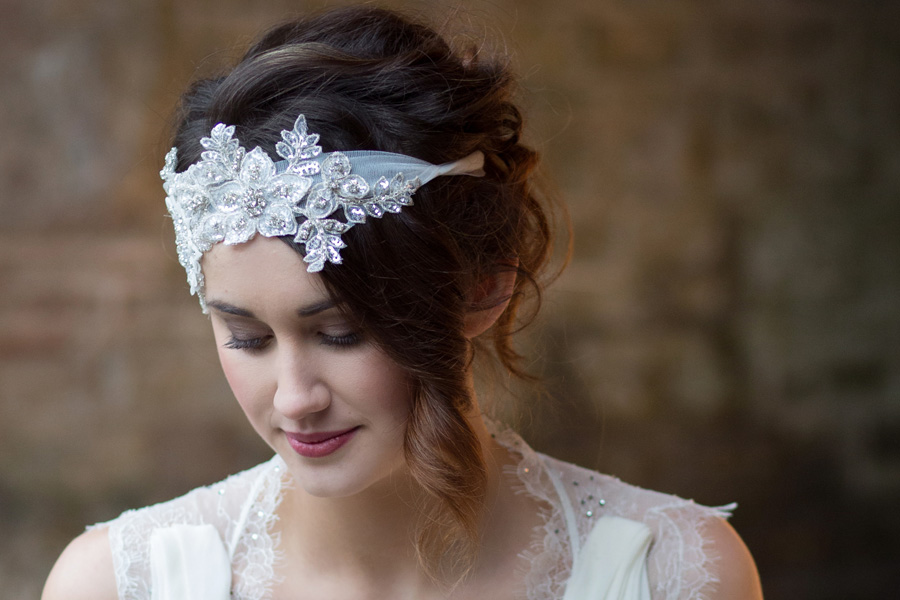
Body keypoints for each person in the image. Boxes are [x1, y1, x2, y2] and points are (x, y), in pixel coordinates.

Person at [42, 6, 763, 600]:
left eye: (341, 334)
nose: (295, 401)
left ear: (483, 286)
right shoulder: (115, 583)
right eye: (247, 337)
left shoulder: (675, 574)